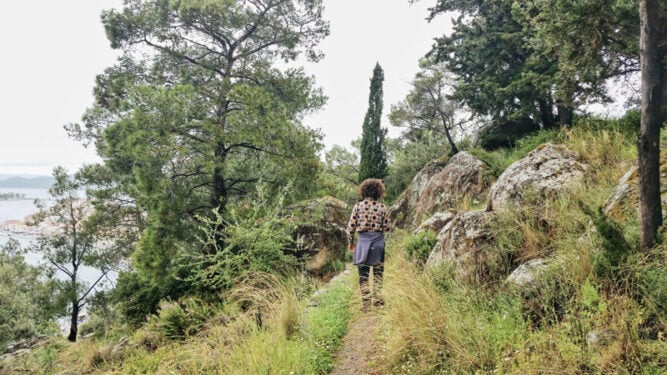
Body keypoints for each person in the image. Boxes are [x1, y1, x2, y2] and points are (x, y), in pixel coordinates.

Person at [346, 178, 391, 310]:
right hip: (378, 243)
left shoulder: (358, 206)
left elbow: (351, 227)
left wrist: (351, 242)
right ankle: (377, 301)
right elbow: (387, 228)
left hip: (362, 243)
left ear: (364, 191)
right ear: (379, 192)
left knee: (363, 274)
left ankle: (366, 304)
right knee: (378, 273)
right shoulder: (382, 207)